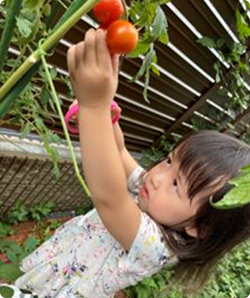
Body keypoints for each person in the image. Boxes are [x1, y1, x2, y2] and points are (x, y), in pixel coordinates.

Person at [4, 29, 250, 297]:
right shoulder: (154, 194)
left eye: (177, 183)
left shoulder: (156, 245)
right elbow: (119, 151)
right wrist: (107, 114)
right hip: (63, 260)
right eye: (169, 161)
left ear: (198, 228)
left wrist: (93, 107)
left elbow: (109, 198)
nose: (158, 176)